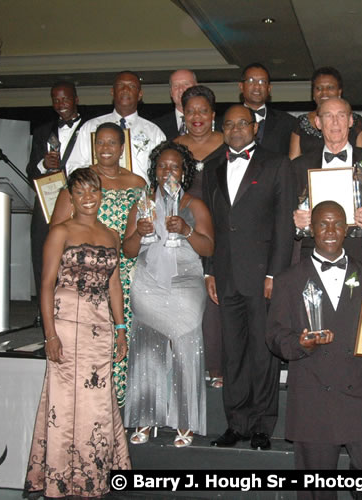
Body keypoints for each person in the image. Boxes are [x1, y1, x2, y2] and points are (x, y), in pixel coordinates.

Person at [267, 201, 362, 500]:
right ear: (310, 229)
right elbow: (274, 336)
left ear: (346, 229)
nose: (330, 231)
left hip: (358, 393)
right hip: (314, 396)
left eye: (336, 224)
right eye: (322, 224)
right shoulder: (288, 281)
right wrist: (300, 344)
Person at [25, 167, 131, 498]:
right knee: (65, 400)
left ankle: (93, 474)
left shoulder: (111, 233)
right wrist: (50, 335)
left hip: (100, 327)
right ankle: (61, 476)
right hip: (66, 323)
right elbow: (45, 285)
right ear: (70, 196)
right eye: (81, 192)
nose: (88, 198)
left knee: (98, 398)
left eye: (94, 191)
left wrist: (121, 328)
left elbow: (114, 283)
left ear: (101, 195)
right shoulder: (60, 231)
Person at [202, 104, 295, 450]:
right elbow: (212, 225)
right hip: (225, 276)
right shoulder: (212, 166)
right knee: (233, 354)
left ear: (255, 128)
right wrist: (209, 270)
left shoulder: (276, 163)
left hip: (262, 276)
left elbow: (284, 225)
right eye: (229, 124)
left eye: (243, 123)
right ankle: (236, 424)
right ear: (222, 129)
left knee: (262, 353)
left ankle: (261, 426)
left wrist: (275, 274)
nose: (237, 129)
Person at [122, 141, 214, 447]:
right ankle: (146, 418)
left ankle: (184, 422)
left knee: (186, 350)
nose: (168, 171)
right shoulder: (142, 205)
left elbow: (209, 247)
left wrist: (187, 230)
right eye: (162, 166)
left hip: (185, 284)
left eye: (174, 166)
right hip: (149, 283)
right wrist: (139, 231)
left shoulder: (195, 205)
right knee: (147, 349)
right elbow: (128, 250)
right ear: (154, 170)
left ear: (184, 171)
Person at [51, 122, 146, 407]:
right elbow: (57, 233)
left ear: (122, 147)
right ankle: (88, 405)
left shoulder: (138, 184)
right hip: (85, 275)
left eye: (111, 143)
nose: (105, 149)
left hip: (128, 274)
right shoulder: (81, 184)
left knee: (124, 338)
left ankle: (120, 407)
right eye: (100, 143)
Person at [292, 97, 362, 271]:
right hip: (313, 254)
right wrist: (295, 219)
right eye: (328, 116)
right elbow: (284, 211)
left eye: (341, 115)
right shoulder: (300, 165)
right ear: (318, 122)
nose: (335, 122)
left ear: (351, 121)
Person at [173, 84, 226, 387]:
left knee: (216, 302)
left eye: (203, 111)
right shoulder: (173, 147)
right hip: (184, 235)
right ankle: (188, 369)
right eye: (190, 110)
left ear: (213, 114)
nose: (196, 117)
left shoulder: (229, 143)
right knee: (187, 303)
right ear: (183, 113)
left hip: (222, 233)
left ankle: (218, 367)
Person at [26, 81, 85, 300]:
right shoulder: (42, 132)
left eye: (65, 98)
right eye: (56, 99)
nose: (61, 103)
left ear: (76, 100)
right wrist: (44, 164)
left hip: (78, 202)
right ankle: (45, 308)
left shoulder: (90, 128)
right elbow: (31, 171)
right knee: (43, 255)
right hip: (46, 205)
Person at [66, 70, 166, 182]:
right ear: (112, 92)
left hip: (140, 196)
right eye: (120, 85)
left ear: (140, 94)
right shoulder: (90, 127)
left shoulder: (154, 132)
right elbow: (73, 167)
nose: (125, 89)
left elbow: (163, 171)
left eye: (131, 86)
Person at [288, 67, 362, 160]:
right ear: (313, 94)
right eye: (319, 88)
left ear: (339, 92)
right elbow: (293, 163)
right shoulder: (301, 122)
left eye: (330, 87)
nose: (324, 92)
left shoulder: (355, 121)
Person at [238, 62, 296, 155]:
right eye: (251, 81)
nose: (257, 86)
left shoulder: (288, 123)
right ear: (241, 86)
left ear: (269, 88)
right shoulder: (225, 122)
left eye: (262, 82)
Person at [154, 69, 198, 140]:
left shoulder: (212, 123)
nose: (181, 89)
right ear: (171, 92)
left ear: (197, 88)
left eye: (186, 84)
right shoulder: (156, 127)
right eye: (176, 85)